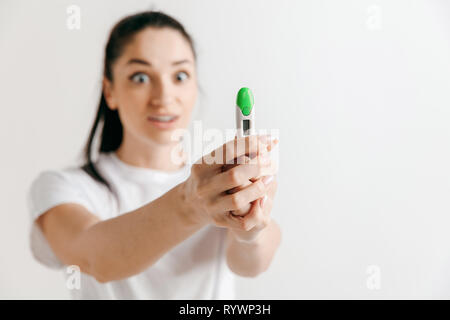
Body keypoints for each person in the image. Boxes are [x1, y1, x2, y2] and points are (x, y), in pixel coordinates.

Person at [27, 10, 281, 299]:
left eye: (180, 75)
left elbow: (252, 264)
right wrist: (191, 203)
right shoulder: (64, 188)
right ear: (109, 91)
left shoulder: (221, 179)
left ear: (195, 86)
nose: (163, 97)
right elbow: (95, 259)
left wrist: (249, 232)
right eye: (140, 77)